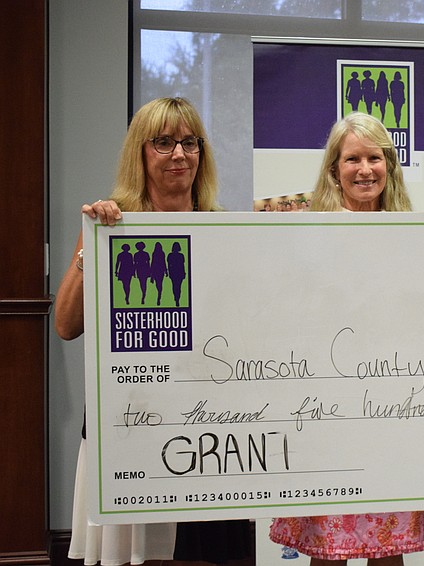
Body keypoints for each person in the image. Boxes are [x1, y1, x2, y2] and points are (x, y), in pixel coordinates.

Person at [55, 96, 252, 566]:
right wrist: (92, 249)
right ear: (139, 153)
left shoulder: (224, 228)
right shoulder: (111, 224)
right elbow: (65, 325)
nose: (179, 154)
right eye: (163, 142)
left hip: (208, 429)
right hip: (131, 423)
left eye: (189, 142)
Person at [268, 112, 424, 566]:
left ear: (389, 166)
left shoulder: (416, 234)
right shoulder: (305, 233)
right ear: (334, 169)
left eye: (374, 158)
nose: (365, 169)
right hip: (328, 410)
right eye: (352, 159)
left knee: (389, 544)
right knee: (328, 545)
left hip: (394, 408)